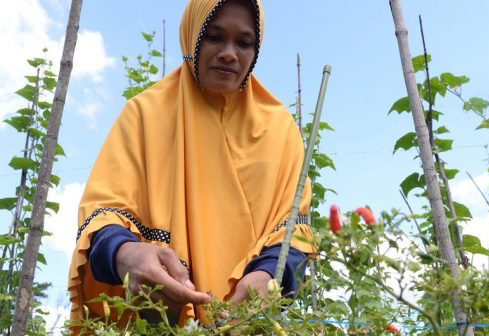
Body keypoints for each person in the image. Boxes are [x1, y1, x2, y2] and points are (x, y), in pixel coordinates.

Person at [68, 0, 316, 328]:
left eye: (244, 42)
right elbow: (102, 217)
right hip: (160, 321)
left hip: (248, 323)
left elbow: (293, 231)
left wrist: (269, 274)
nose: (230, 53)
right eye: (215, 37)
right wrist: (127, 255)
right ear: (192, 37)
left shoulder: (281, 131)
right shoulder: (145, 115)